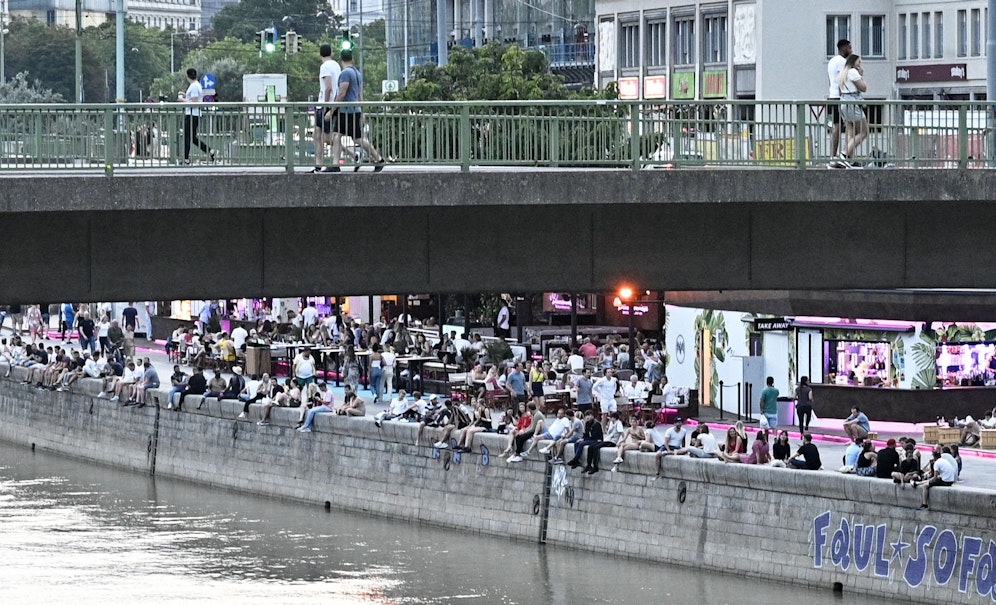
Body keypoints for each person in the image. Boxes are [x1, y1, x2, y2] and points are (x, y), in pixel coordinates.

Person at [329, 49, 386, 172]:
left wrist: (331, 110)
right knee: (337, 136)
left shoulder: (345, 73)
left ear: (341, 59)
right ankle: (335, 164)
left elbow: (342, 93)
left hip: (346, 111)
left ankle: (378, 158)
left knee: (355, 138)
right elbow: (359, 94)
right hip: (354, 109)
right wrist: (362, 111)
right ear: (352, 58)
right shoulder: (357, 73)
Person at [312, 44, 342, 173]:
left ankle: (352, 154)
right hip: (333, 103)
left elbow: (328, 87)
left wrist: (325, 104)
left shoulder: (324, 67)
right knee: (317, 134)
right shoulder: (336, 65)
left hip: (325, 105)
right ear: (331, 53)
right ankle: (318, 164)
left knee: (326, 138)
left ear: (320, 53)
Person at [835, 53, 868, 168]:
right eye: (859, 62)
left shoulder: (842, 73)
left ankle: (850, 159)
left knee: (851, 132)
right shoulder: (853, 72)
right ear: (854, 62)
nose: (860, 64)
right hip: (852, 102)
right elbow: (863, 88)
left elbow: (840, 91)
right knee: (864, 132)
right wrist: (861, 75)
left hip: (844, 102)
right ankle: (844, 154)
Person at [179, 68, 216, 164]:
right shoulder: (196, 85)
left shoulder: (194, 86)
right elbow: (194, 99)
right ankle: (210, 151)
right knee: (192, 138)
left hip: (192, 114)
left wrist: (182, 99)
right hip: (194, 114)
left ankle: (186, 158)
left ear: (187, 76)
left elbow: (194, 101)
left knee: (187, 136)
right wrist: (185, 95)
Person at [827, 39, 852, 167]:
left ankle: (833, 155)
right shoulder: (842, 62)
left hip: (832, 96)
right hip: (840, 97)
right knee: (847, 126)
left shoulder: (831, 61)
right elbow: (843, 80)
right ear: (844, 48)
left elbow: (831, 80)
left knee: (836, 126)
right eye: (849, 48)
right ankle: (844, 155)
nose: (851, 50)